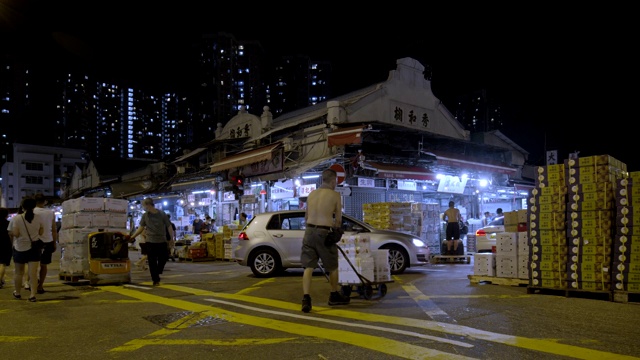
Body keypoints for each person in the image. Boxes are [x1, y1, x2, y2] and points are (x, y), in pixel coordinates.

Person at [300, 168, 350, 313]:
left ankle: (306, 299)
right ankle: (334, 295)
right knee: (332, 266)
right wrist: (336, 230)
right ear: (333, 181)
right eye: (336, 182)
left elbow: (306, 217)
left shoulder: (311, 194)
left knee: (308, 267)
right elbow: (338, 219)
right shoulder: (335, 195)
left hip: (309, 231)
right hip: (324, 232)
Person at [129, 198, 174, 286]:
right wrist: (133, 236)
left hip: (162, 240)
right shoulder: (145, 215)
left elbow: (169, 226)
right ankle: (155, 279)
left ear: (148, 205)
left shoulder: (162, 214)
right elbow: (141, 227)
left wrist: (171, 239)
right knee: (152, 261)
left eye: (144, 206)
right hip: (150, 241)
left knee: (164, 257)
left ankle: (158, 270)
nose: (144, 208)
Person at [8, 197, 44, 302]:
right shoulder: (38, 218)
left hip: (20, 248)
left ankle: (17, 293)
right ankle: (32, 295)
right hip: (34, 248)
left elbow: (16, 234)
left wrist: (12, 233)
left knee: (19, 273)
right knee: (33, 273)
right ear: (34, 206)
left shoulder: (17, 218)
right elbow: (41, 232)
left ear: (22, 206)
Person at [33, 193, 58, 294]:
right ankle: (40, 286)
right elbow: (54, 229)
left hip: (34, 241)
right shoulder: (50, 212)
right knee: (44, 265)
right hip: (48, 241)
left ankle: (32, 284)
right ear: (45, 202)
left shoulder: (32, 211)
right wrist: (54, 242)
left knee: (33, 265)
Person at [0, 208, 11, 289]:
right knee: (2, 264)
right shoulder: (8, 223)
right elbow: (11, 235)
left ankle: (1, 280)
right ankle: (0, 280)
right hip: (5, 244)